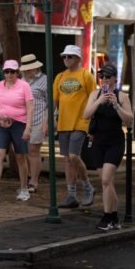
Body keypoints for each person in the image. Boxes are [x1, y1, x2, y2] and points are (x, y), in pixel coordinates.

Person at [83, 64, 133, 231]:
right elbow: (86, 114)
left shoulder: (122, 96)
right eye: (102, 76)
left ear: (115, 79)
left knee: (105, 180)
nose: (104, 79)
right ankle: (114, 217)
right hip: (98, 142)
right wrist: (99, 101)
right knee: (107, 182)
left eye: (108, 76)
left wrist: (116, 105)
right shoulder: (95, 94)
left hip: (115, 142)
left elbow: (129, 120)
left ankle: (106, 217)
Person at [0, 59, 34, 202]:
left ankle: (24, 189)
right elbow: (0, 105)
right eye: (7, 71)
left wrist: (28, 128)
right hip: (2, 125)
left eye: (12, 71)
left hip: (19, 124)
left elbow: (30, 108)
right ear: (3, 72)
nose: (9, 74)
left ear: (17, 72)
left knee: (20, 157)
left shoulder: (24, 86)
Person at [54, 44, 96, 208]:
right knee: (67, 160)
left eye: (69, 56)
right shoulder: (60, 77)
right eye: (64, 56)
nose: (66, 59)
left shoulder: (86, 76)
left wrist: (93, 124)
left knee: (73, 156)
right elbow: (55, 101)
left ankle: (87, 186)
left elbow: (94, 99)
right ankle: (71, 194)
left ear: (78, 58)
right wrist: (50, 120)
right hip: (64, 123)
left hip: (81, 122)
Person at [20, 54, 48, 193]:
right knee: (21, 152)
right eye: (25, 69)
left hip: (38, 119)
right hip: (22, 120)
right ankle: (25, 180)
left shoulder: (45, 80)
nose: (27, 72)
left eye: (30, 69)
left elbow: (50, 104)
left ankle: (34, 181)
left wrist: (46, 122)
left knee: (33, 151)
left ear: (37, 68)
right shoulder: (20, 80)